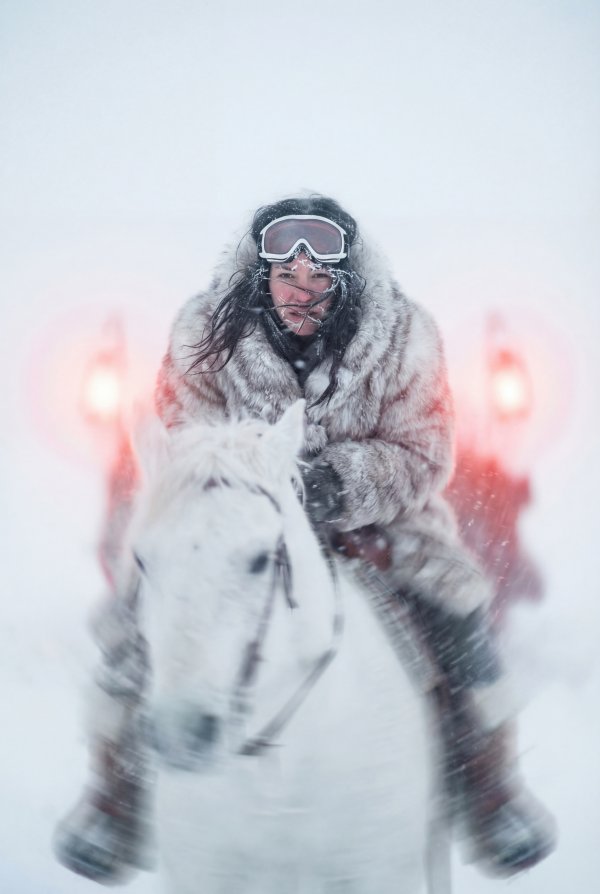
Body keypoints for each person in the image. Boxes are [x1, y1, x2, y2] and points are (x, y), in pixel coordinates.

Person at [54, 195, 555, 883]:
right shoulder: (203, 331)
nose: (302, 293)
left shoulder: (405, 337)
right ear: (262, 277)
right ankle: (114, 792)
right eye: (287, 278)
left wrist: (334, 486)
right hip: (231, 513)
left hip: (377, 524)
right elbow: (181, 433)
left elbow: (424, 451)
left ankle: (490, 787)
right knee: (135, 622)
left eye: (319, 279)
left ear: (343, 281)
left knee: (457, 616)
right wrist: (256, 483)